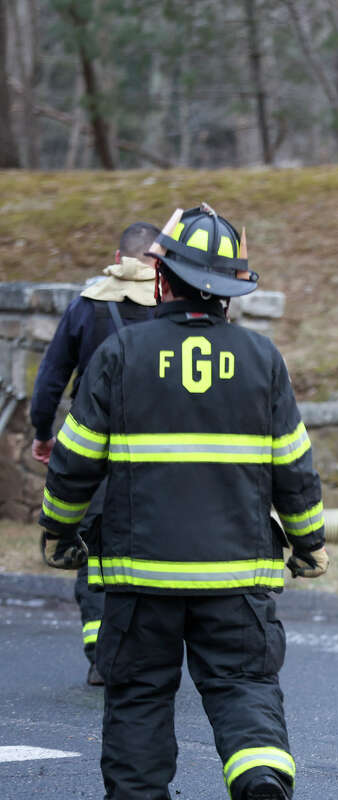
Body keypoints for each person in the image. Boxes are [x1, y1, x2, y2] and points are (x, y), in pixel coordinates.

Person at [37, 203, 329, 800]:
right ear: (229, 293)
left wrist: (59, 534)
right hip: (236, 578)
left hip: (141, 579)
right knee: (243, 685)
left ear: (161, 280)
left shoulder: (121, 354)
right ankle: (259, 776)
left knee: (139, 696)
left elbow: (74, 463)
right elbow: (295, 470)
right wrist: (308, 545)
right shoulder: (263, 359)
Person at [29, 221, 160, 686]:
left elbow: (52, 376)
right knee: (156, 544)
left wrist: (42, 432)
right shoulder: (171, 304)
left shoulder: (86, 304)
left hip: (95, 448)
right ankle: (147, 650)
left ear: (118, 256)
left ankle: (101, 656)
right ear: (159, 259)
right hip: (159, 451)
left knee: (94, 546)